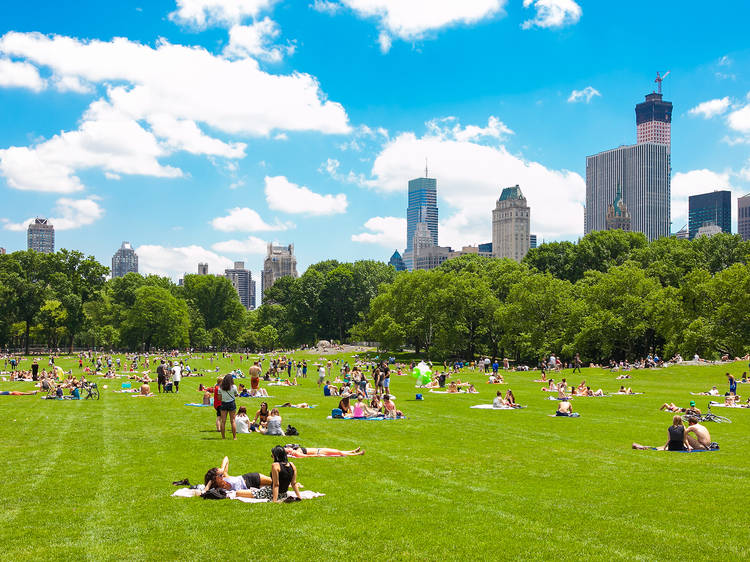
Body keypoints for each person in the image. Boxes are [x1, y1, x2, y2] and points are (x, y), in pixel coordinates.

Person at [203, 456, 273, 498]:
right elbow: (204, 493)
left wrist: (222, 469)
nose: (222, 476)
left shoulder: (225, 476)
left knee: (275, 482)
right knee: (273, 489)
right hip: (251, 489)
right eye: (220, 475)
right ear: (215, 479)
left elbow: (226, 458)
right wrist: (210, 482)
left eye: (221, 474)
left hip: (251, 479)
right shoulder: (217, 489)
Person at [218, 374, 238, 440]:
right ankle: (234, 437)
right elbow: (236, 394)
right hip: (231, 403)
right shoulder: (234, 387)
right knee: (232, 421)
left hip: (224, 403)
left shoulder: (220, 387)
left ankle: (223, 437)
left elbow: (219, 398)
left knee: (223, 421)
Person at [284, 444, 364, 457]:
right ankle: (357, 454)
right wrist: (317, 455)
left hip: (319, 449)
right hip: (319, 452)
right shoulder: (296, 453)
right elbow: (306, 456)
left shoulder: (295, 450)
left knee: (337, 450)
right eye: (287, 449)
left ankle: (352, 451)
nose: (288, 448)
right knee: (338, 453)